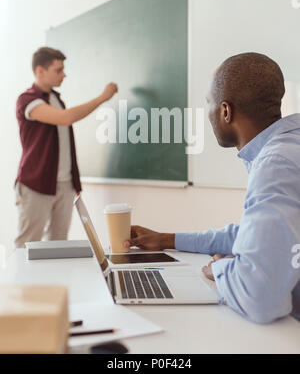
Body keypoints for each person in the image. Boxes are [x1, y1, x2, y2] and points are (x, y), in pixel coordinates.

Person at [124, 52, 300, 324]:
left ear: (226, 111)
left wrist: (219, 268)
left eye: (208, 103)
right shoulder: (288, 147)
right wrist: (167, 239)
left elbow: (260, 298)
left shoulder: (275, 163)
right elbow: (260, 234)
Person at [15, 47, 118, 248]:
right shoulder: (27, 100)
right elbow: (66, 118)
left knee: (58, 245)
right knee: (27, 245)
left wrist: (73, 183)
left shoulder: (56, 98)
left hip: (64, 185)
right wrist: (102, 97)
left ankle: (51, 281)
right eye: (58, 70)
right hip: (36, 184)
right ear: (40, 71)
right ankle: (22, 282)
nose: (64, 74)